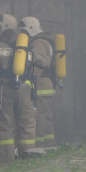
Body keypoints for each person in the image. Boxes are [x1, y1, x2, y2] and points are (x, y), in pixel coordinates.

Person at [0, 15, 38, 162]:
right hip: (25, 89)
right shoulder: (26, 46)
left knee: (4, 126)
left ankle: (7, 162)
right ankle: (28, 160)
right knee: (27, 125)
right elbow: (35, 65)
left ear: (5, 27)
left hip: (5, 89)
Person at [20, 16, 57, 150]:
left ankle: (40, 144)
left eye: (24, 31)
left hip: (41, 85)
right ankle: (50, 143)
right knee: (47, 115)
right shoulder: (46, 41)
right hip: (48, 84)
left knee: (40, 116)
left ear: (30, 28)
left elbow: (43, 62)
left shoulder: (37, 43)